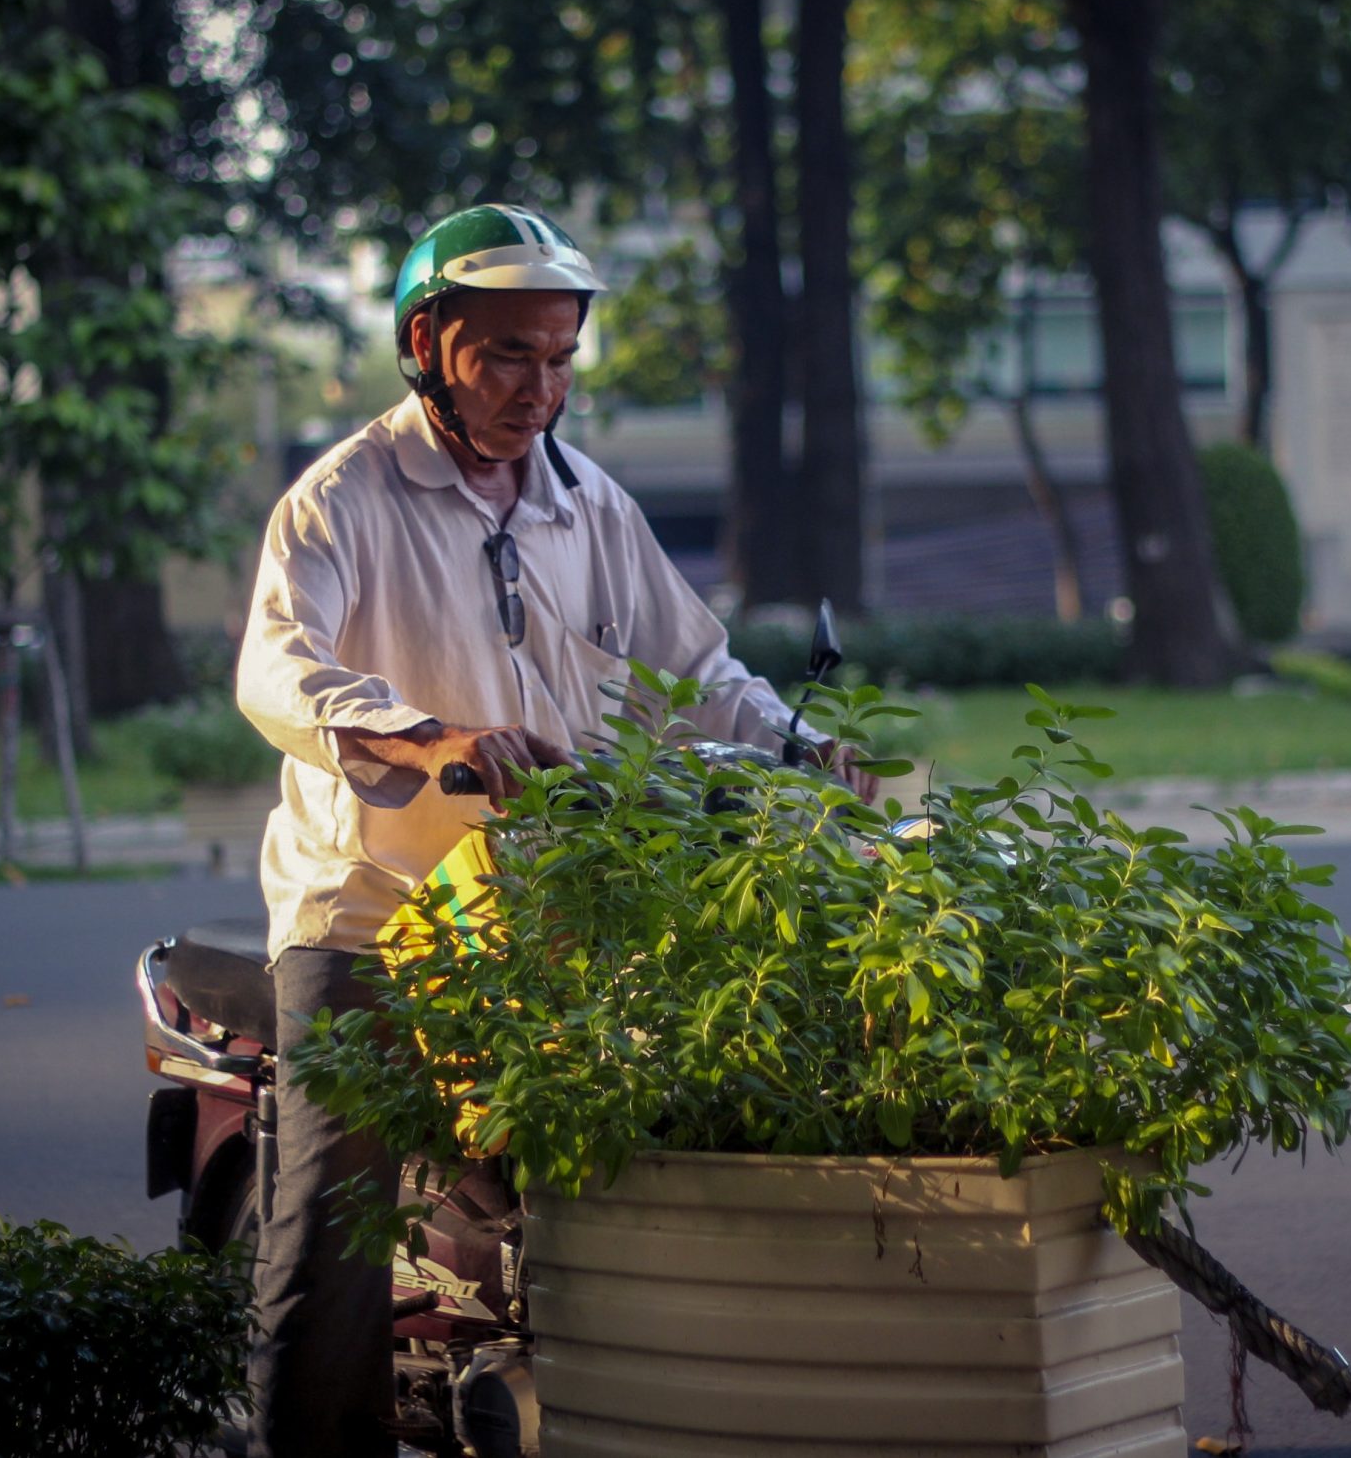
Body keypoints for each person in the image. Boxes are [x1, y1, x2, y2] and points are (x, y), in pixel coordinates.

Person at [234, 202, 874, 1457]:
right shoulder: (341, 502)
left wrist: (799, 752)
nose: (542, 385)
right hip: (371, 914)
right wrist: (431, 739)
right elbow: (276, 670)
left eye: (560, 356)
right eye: (510, 355)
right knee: (332, 1223)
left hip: (549, 914)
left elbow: (698, 674)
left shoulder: (590, 507)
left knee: (651, 1164)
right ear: (428, 342)